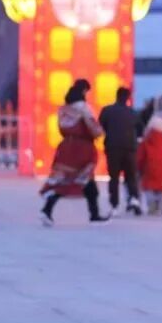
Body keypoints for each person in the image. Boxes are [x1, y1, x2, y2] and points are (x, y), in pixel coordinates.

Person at [39, 79, 109, 226]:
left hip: (66, 147)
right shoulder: (83, 108)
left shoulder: (63, 109)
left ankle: (49, 209)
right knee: (82, 177)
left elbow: (61, 128)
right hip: (82, 147)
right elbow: (94, 128)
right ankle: (93, 214)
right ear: (84, 91)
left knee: (65, 178)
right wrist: (100, 133)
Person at [98, 86, 142, 217]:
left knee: (114, 177)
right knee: (131, 176)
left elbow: (101, 125)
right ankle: (134, 200)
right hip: (130, 148)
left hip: (113, 147)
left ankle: (114, 204)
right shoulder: (133, 113)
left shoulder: (107, 111)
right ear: (128, 98)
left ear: (116, 96)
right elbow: (140, 129)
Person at [137, 115, 162, 214]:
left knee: (149, 188)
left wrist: (139, 168)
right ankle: (158, 206)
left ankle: (151, 204)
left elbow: (140, 157)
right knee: (161, 189)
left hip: (148, 168)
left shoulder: (146, 140)